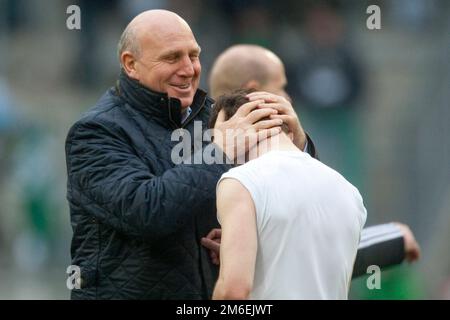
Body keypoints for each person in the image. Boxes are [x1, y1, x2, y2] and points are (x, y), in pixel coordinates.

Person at [65, 10, 306, 299]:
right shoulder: (95, 133)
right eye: (172, 58)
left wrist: (300, 144)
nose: (189, 68)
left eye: (194, 55)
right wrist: (220, 151)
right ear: (131, 64)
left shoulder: (213, 116)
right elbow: (147, 211)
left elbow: (288, 192)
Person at [202, 44, 420, 277]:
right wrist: (390, 241)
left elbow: (305, 253)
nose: (288, 98)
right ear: (254, 92)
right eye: (282, 88)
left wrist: (300, 146)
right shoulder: (211, 167)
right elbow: (309, 258)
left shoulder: (208, 160)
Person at [210, 89, 367, 299]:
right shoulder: (350, 193)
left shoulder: (240, 182)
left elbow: (233, 292)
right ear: (288, 131)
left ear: (234, 135)